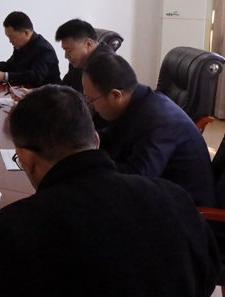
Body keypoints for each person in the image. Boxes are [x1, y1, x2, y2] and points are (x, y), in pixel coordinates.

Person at [0, 85, 220, 297]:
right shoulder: (174, 198)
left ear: (25, 158)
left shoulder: (14, 229)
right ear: (95, 140)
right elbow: (207, 275)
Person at [82, 54, 216, 207]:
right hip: (158, 194)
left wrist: (90, 164)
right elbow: (109, 136)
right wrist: (82, 142)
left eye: (90, 99)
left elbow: (136, 178)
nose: (90, 105)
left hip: (184, 209)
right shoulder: (134, 99)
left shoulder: (158, 122)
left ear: (115, 95)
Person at [0, 11, 60, 87]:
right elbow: (10, 65)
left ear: (26, 33)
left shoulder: (44, 49)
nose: (10, 41)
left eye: (11, 37)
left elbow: (36, 76)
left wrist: (4, 76)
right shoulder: (21, 46)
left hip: (47, 95)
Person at [54, 18, 114, 92]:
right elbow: (64, 88)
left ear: (88, 44)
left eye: (69, 50)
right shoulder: (79, 60)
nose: (66, 56)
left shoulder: (105, 66)